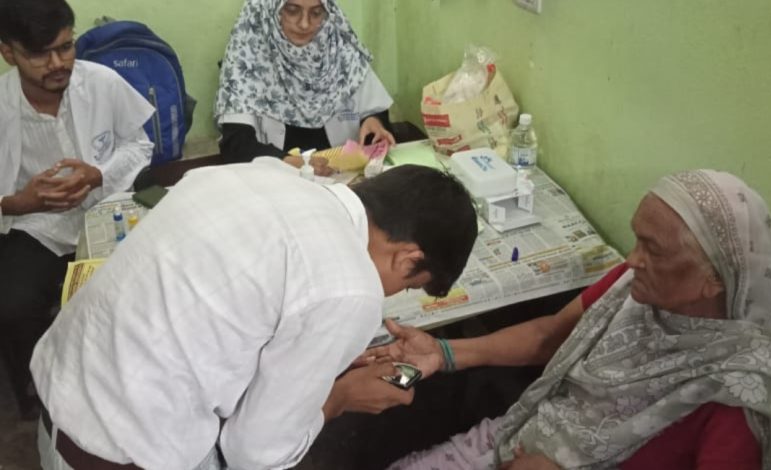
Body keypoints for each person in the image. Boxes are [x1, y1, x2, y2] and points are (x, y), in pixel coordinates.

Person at [31, 160, 478, 470]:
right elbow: (254, 453)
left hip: (59, 408)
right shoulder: (350, 287)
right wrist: (339, 397)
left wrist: (320, 367)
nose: (393, 295)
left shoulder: (256, 175)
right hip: (123, 454)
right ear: (408, 258)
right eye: (409, 286)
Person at [373, 169, 771, 469]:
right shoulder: (632, 287)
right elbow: (549, 336)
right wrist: (443, 352)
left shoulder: (737, 398)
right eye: (636, 240)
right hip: (522, 435)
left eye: (653, 250)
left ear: (713, 279)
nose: (632, 259)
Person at [0, 0, 154, 419]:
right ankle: (45, 393)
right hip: (38, 225)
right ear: (9, 53)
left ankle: (133, 384)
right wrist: (19, 202)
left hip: (108, 207)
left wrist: (98, 174)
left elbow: (140, 145)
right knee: (12, 304)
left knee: (150, 281)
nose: (57, 64)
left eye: (65, 47)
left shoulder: (101, 82)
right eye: (39, 54)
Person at [215, 0, 396, 175]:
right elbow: (236, 146)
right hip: (275, 183)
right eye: (292, 10)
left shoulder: (341, 51)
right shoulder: (246, 60)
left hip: (343, 181)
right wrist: (289, 163)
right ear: (269, 8)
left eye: (316, 13)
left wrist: (373, 121)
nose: (304, 24)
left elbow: (375, 112)